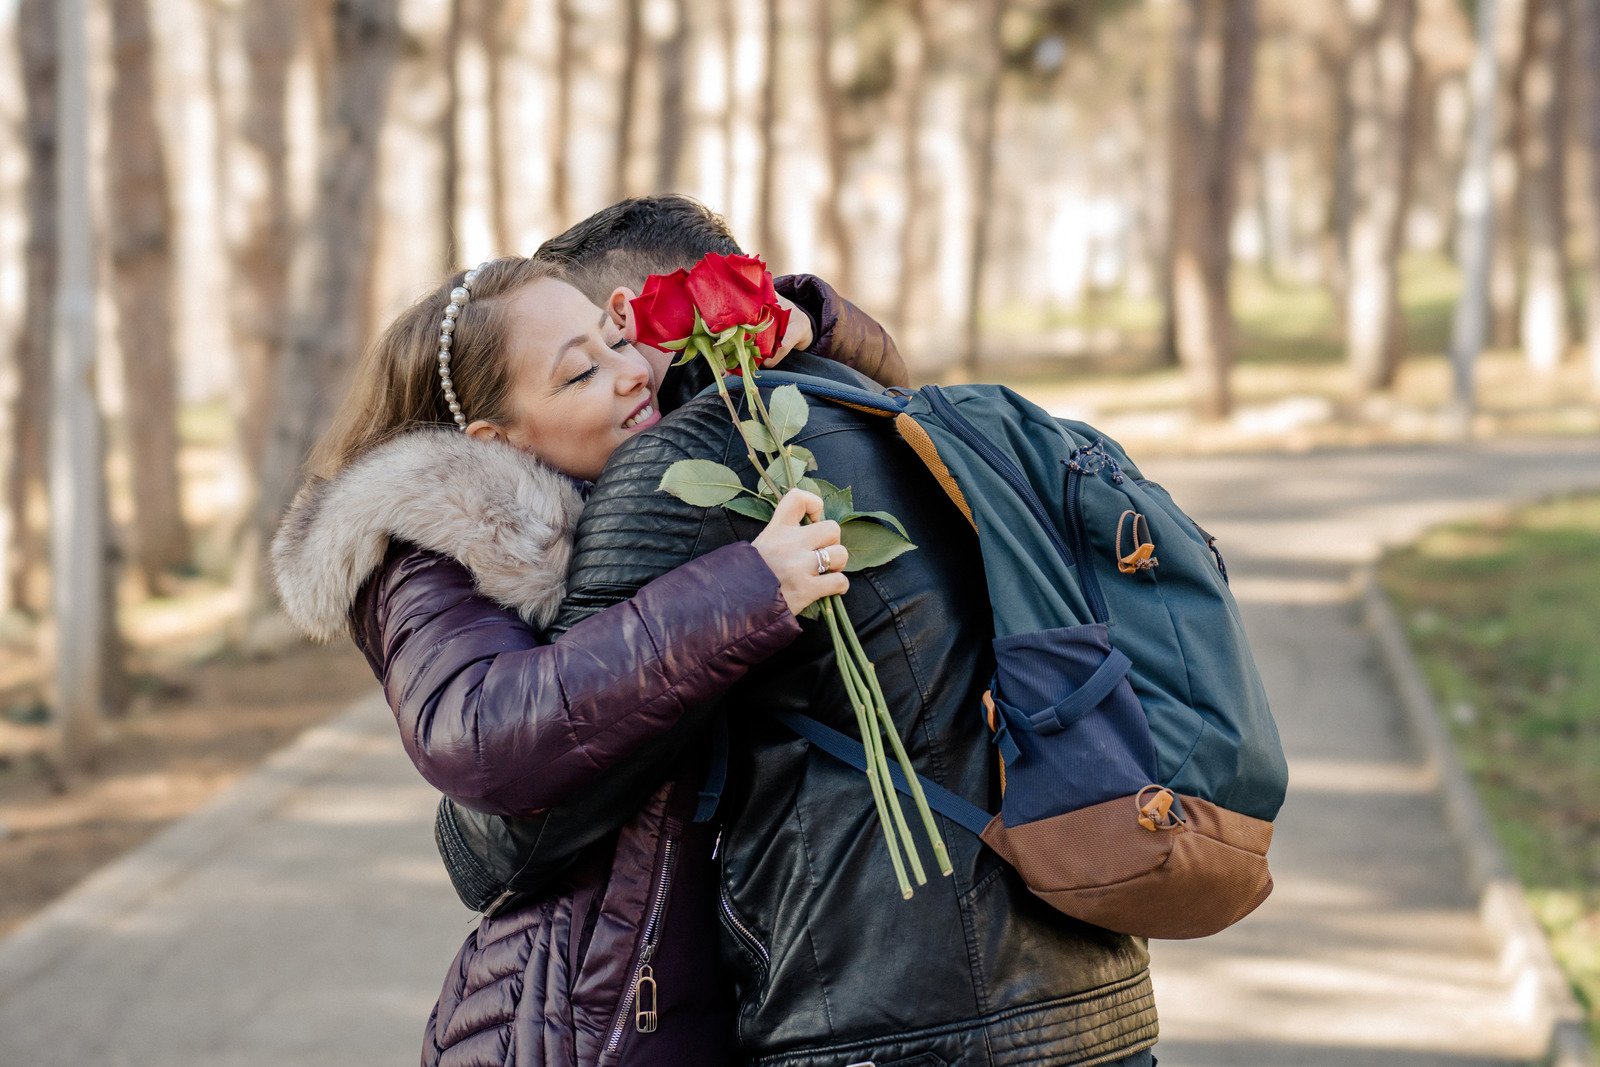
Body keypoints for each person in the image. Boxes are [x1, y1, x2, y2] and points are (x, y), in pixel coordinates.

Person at [468, 194, 1161, 1065]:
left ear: (632, 314)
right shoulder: (890, 408)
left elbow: (515, 831)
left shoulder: (684, 465)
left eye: (604, 335)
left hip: (888, 1018)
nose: (613, 364)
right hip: (1097, 996)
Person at [269, 251, 902, 1065]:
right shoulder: (423, 549)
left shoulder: (624, 460)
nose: (630, 374)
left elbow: (883, 381)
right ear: (494, 440)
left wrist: (810, 314)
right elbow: (483, 731)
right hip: (587, 1021)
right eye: (578, 376)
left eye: (614, 339)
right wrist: (749, 590)